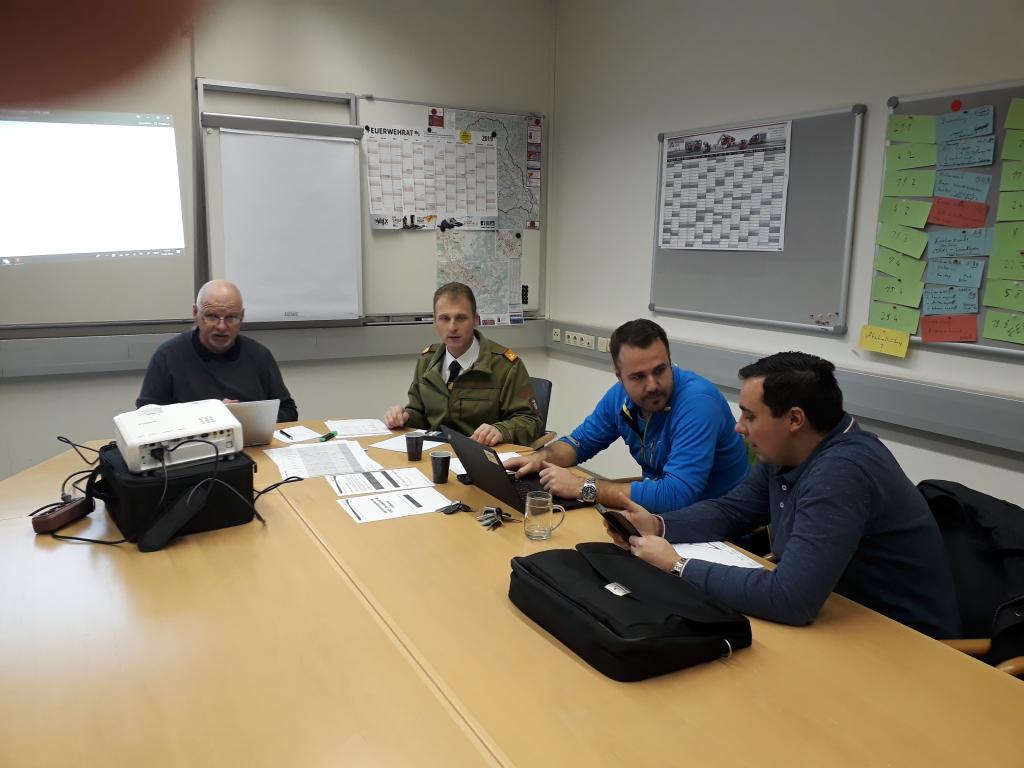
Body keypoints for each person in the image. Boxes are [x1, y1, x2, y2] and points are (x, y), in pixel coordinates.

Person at [608, 351, 961, 639]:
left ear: (794, 420)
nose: (739, 427)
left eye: (750, 416)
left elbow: (791, 598)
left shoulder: (842, 472)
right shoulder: (791, 450)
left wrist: (677, 565)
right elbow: (733, 511)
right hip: (836, 617)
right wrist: (658, 525)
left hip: (902, 643)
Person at [506, 319, 749, 512]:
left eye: (660, 370)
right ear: (620, 377)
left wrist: (583, 487)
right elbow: (580, 442)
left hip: (722, 528)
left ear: (670, 362)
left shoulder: (698, 403)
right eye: (638, 377)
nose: (652, 385)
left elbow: (676, 495)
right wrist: (539, 458)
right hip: (664, 513)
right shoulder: (620, 396)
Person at [383, 282, 540, 446]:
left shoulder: (506, 366)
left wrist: (501, 430)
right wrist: (404, 417)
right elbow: (419, 413)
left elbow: (531, 421)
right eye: (444, 318)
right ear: (435, 321)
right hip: (435, 452)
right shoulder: (427, 361)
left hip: (481, 453)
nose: (452, 327)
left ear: (475, 320)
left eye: (461, 318)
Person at [136, 280, 298, 422]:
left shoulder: (259, 355)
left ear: (242, 316)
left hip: (251, 443)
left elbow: (288, 410)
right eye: (212, 316)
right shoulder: (167, 356)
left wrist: (249, 417)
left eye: (231, 317)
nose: (221, 326)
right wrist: (212, 415)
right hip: (193, 444)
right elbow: (146, 416)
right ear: (195, 313)